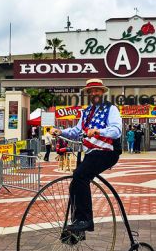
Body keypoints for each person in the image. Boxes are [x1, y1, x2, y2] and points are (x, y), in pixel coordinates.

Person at [51, 78, 122, 233]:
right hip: (91, 153)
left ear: (102, 92)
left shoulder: (111, 109)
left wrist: (98, 131)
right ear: (88, 94)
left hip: (107, 152)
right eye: (91, 91)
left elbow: (116, 131)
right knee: (76, 183)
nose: (94, 93)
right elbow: (77, 132)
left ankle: (85, 220)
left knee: (80, 176)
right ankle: (77, 226)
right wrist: (60, 131)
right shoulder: (87, 112)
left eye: (97, 90)